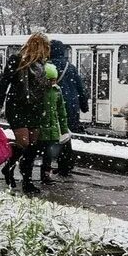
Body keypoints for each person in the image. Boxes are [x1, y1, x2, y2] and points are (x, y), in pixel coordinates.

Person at [0, 32, 52, 194]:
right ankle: (11, 168)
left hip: (35, 107)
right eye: (45, 47)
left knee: (32, 145)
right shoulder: (16, 60)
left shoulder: (43, 66)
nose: (46, 51)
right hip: (18, 105)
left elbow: (42, 87)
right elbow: (5, 82)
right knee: (24, 142)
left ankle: (26, 180)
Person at [50, 39, 89, 176]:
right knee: (65, 136)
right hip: (71, 106)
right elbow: (80, 88)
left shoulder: (48, 66)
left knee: (53, 136)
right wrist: (84, 105)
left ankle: (55, 165)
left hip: (55, 105)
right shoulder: (70, 66)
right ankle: (66, 165)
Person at [38, 63, 71, 184]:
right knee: (35, 151)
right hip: (41, 128)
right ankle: (27, 172)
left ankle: (46, 175)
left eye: (54, 80)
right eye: (50, 80)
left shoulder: (57, 91)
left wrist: (64, 129)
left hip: (52, 129)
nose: (53, 82)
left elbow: (62, 112)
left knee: (49, 154)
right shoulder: (39, 91)